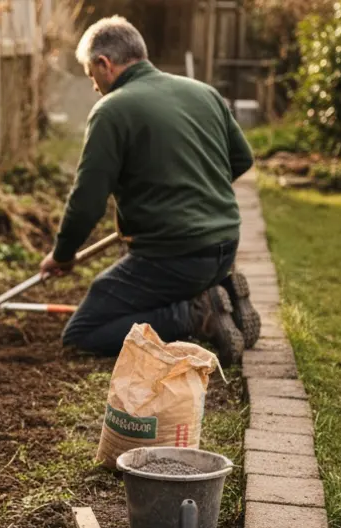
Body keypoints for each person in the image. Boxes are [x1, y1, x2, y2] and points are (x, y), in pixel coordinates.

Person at [40, 16, 259, 364]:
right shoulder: (203, 92)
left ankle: (197, 314)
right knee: (145, 293)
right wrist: (196, 190)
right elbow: (242, 159)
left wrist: (63, 254)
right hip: (224, 246)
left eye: (90, 75)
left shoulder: (112, 110)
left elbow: (87, 202)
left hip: (174, 256)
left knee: (82, 332)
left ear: (103, 64)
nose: (94, 87)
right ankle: (220, 290)